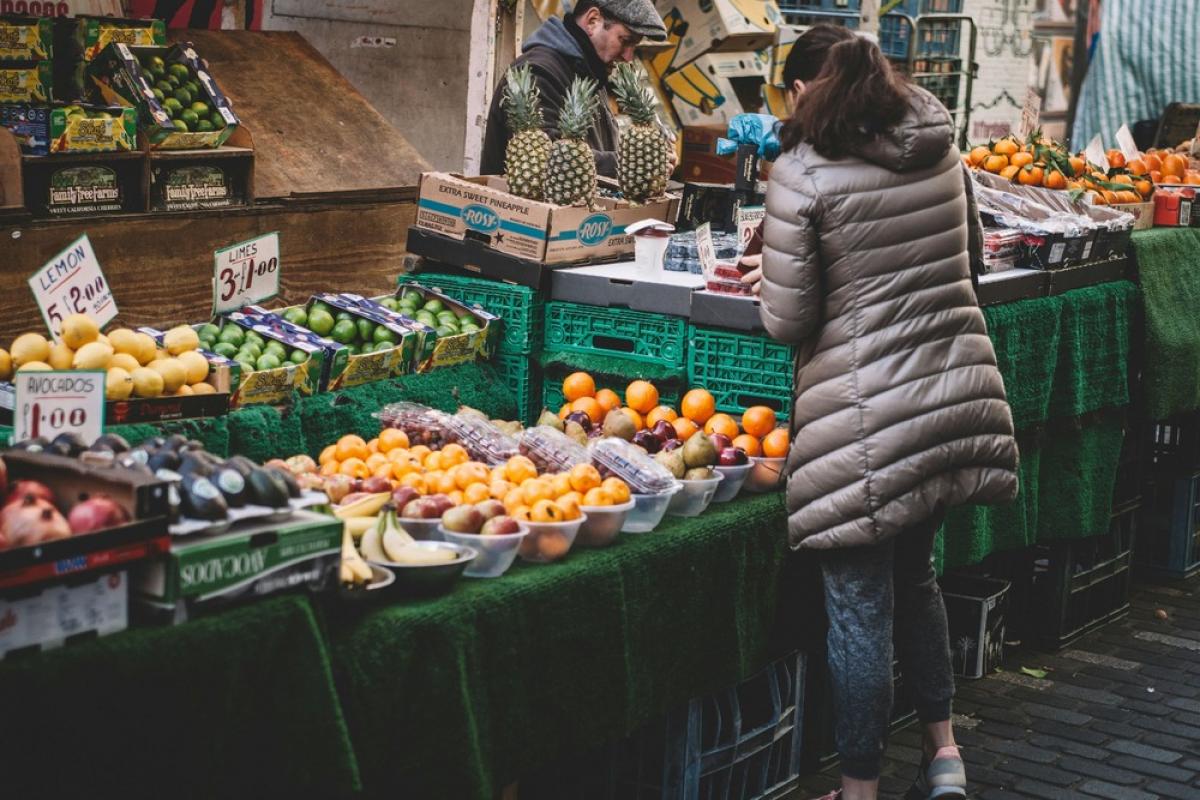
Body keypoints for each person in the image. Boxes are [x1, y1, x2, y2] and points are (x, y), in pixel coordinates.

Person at [740, 25, 1020, 800]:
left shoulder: (800, 174)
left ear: (804, 92)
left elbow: (788, 321)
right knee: (916, 581)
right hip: (948, 397)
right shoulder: (940, 147)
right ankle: (943, 755)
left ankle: (859, 790)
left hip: (865, 420)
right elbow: (968, 262)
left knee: (859, 609)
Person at [480, 0, 666, 179]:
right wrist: (636, 164)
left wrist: (649, 159)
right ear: (593, 21)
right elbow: (548, 161)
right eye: (625, 41)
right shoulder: (538, 72)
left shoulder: (590, 71)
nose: (628, 57)